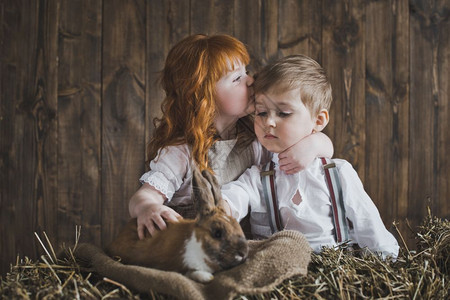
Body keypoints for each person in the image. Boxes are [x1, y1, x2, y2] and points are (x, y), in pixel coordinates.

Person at [128, 34, 334, 239]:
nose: (251, 80)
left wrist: (315, 143)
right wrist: (148, 208)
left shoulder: (256, 137)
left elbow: (323, 150)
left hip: (244, 241)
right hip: (197, 243)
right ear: (204, 97)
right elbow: (145, 195)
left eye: (246, 72)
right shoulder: (181, 151)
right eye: (237, 78)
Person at [221, 54, 399, 259]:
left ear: (319, 120)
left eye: (283, 113)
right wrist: (221, 207)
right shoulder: (257, 177)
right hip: (277, 270)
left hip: (334, 270)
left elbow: (367, 223)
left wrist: (387, 259)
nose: (268, 122)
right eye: (261, 113)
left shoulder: (337, 173)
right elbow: (234, 197)